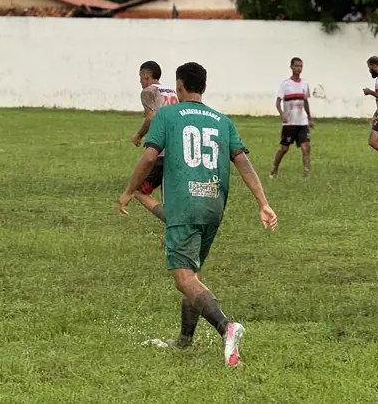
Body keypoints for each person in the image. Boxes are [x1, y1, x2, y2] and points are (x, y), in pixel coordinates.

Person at [118, 62, 278, 367]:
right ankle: (184, 341)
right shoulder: (222, 120)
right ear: (203, 86)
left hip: (185, 204)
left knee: (184, 278)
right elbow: (243, 163)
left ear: (179, 86)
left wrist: (129, 190)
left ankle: (226, 327)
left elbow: (150, 156)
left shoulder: (167, 114)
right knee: (195, 274)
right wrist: (263, 202)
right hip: (213, 204)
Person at [129, 60, 179, 223]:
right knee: (170, 192)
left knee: (139, 190)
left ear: (146, 76)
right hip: (177, 146)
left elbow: (151, 117)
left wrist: (138, 135)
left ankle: (172, 223)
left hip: (162, 149)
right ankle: (175, 225)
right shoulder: (171, 90)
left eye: (140, 77)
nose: (140, 81)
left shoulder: (148, 91)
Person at [270, 57, 313, 179]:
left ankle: (306, 174)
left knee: (306, 148)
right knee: (284, 148)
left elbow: (305, 102)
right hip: (289, 122)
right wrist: (282, 113)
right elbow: (278, 102)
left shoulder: (305, 84)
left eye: (301, 66)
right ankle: (274, 169)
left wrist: (309, 118)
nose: (299, 68)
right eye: (296, 66)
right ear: (291, 67)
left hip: (302, 122)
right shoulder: (286, 84)